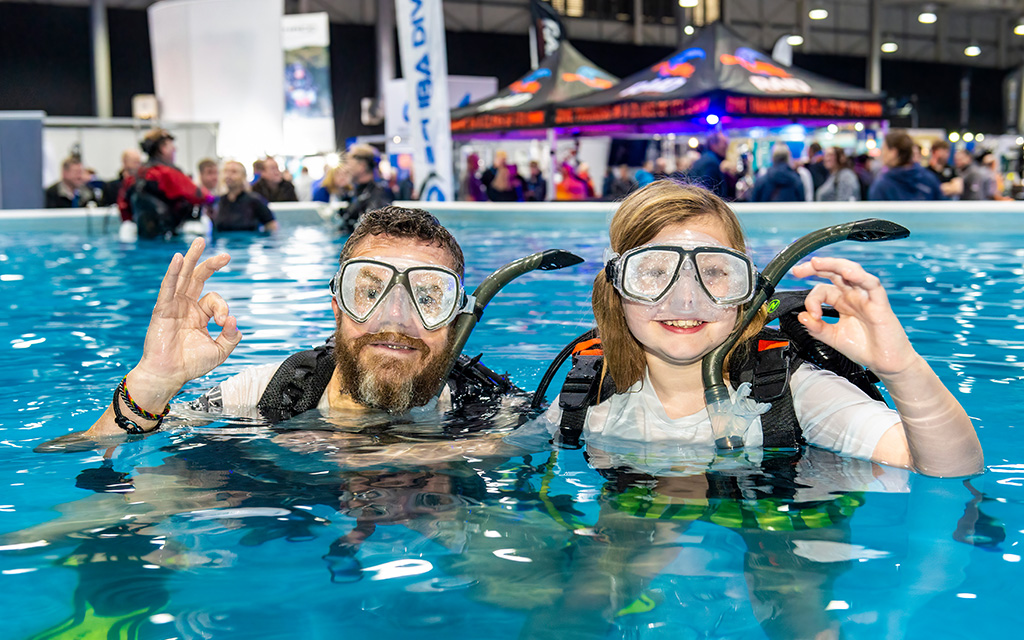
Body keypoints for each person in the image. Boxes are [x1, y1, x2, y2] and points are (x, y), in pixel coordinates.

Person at [528, 180, 983, 477]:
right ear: (616, 287)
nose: (687, 300)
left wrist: (901, 368)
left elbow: (952, 467)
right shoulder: (587, 395)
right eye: (653, 271)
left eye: (715, 272)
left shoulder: (791, 393)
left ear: (747, 289)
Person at [81, 205, 504, 438]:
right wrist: (151, 384)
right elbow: (97, 472)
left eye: (429, 297)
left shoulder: (491, 411)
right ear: (337, 306)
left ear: (455, 316)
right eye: (369, 291)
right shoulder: (264, 397)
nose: (396, 318)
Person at [117, 128, 211, 238]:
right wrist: (213, 199)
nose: (175, 149)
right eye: (172, 146)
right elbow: (200, 195)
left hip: (143, 236)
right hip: (167, 236)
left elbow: (123, 208)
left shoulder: (134, 176)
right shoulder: (167, 173)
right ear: (163, 148)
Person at [868, 131, 944, 201]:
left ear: (893, 152)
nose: (882, 154)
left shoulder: (882, 186)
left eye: (884, 149)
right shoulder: (929, 179)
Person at [211, 161, 277, 232]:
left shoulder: (255, 200)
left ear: (243, 176)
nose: (228, 175)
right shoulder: (219, 201)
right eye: (226, 171)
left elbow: (272, 225)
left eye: (234, 172)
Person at [341, 144, 394, 232]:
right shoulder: (358, 192)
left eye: (348, 163)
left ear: (362, 166)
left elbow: (376, 233)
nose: (346, 169)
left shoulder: (380, 193)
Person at [688, 132, 731, 199]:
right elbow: (707, 194)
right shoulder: (711, 163)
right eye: (724, 143)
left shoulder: (705, 158)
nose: (726, 147)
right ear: (713, 145)